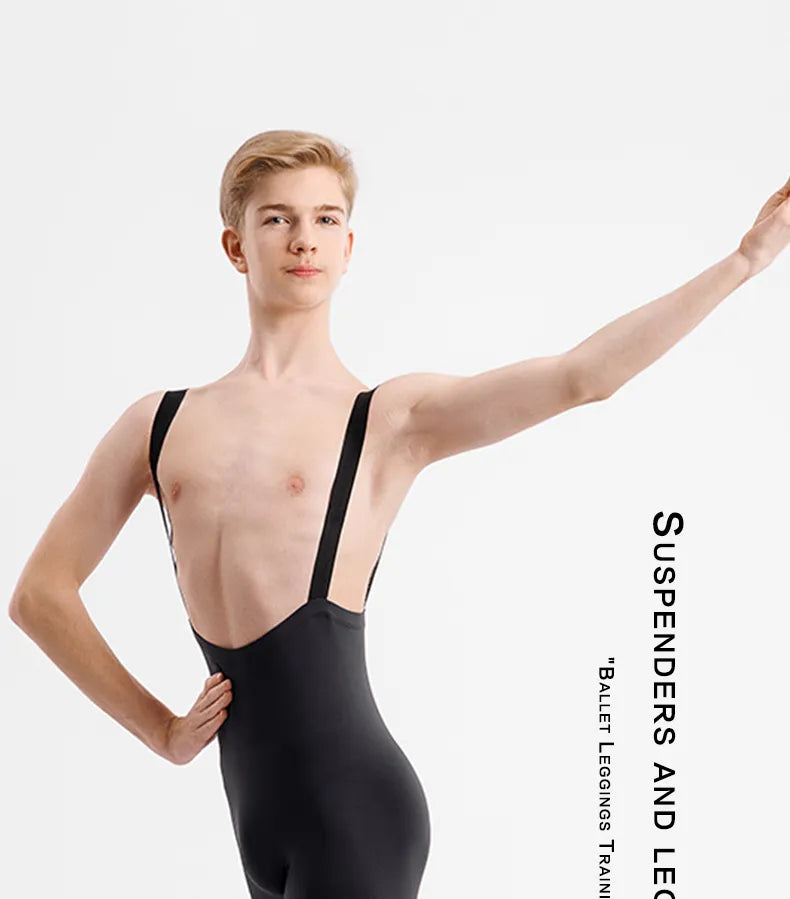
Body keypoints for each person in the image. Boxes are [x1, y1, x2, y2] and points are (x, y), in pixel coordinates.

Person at [8, 129, 789, 898]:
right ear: (235, 246)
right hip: (253, 821)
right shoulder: (158, 424)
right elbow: (40, 595)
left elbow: (581, 377)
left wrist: (744, 261)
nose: (304, 238)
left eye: (325, 218)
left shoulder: (387, 420)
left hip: (358, 812)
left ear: (348, 246)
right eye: (278, 217)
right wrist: (160, 730)